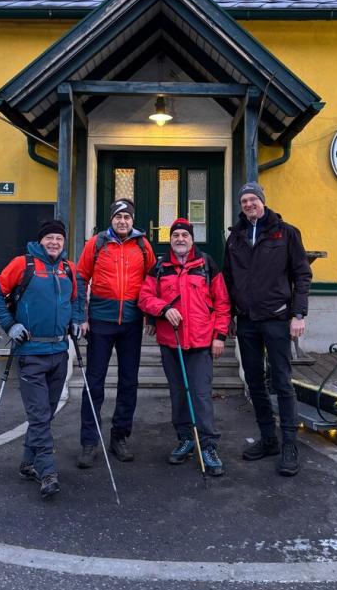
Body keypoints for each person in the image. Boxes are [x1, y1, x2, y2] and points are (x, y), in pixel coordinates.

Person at [0, 219, 83, 499]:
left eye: (59, 239)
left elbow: (77, 300)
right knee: (40, 416)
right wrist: (10, 325)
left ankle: (28, 462)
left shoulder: (69, 269)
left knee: (46, 413)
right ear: (41, 241)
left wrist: (77, 320)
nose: (54, 242)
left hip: (59, 353)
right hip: (30, 354)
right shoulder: (23, 264)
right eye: (49, 238)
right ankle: (47, 470)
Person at [223, 182, 312, 477]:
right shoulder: (234, 237)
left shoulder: (285, 232)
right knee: (254, 382)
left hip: (276, 317)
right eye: (244, 200)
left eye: (253, 199)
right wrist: (230, 316)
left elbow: (302, 274)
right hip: (247, 320)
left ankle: (289, 445)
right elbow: (228, 279)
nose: (249, 204)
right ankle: (268, 438)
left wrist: (298, 314)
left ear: (262, 201)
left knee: (282, 382)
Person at [138, 218, 231, 476]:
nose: (180, 239)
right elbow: (145, 298)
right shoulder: (159, 267)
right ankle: (185, 439)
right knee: (179, 394)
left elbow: (222, 303)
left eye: (184, 235)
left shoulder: (207, 264)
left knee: (200, 395)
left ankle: (208, 445)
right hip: (172, 343)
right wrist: (163, 309)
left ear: (192, 239)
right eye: (176, 235)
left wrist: (220, 336)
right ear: (171, 239)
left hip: (201, 342)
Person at [75, 199, 156, 467]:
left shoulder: (143, 246)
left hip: (131, 323)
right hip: (100, 321)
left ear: (133, 220)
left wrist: (150, 316)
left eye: (127, 217)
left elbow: (153, 282)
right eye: (118, 217)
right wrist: (81, 315)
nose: (123, 221)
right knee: (94, 382)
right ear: (111, 219)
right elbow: (80, 277)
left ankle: (119, 436)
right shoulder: (96, 244)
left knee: (128, 382)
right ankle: (89, 441)